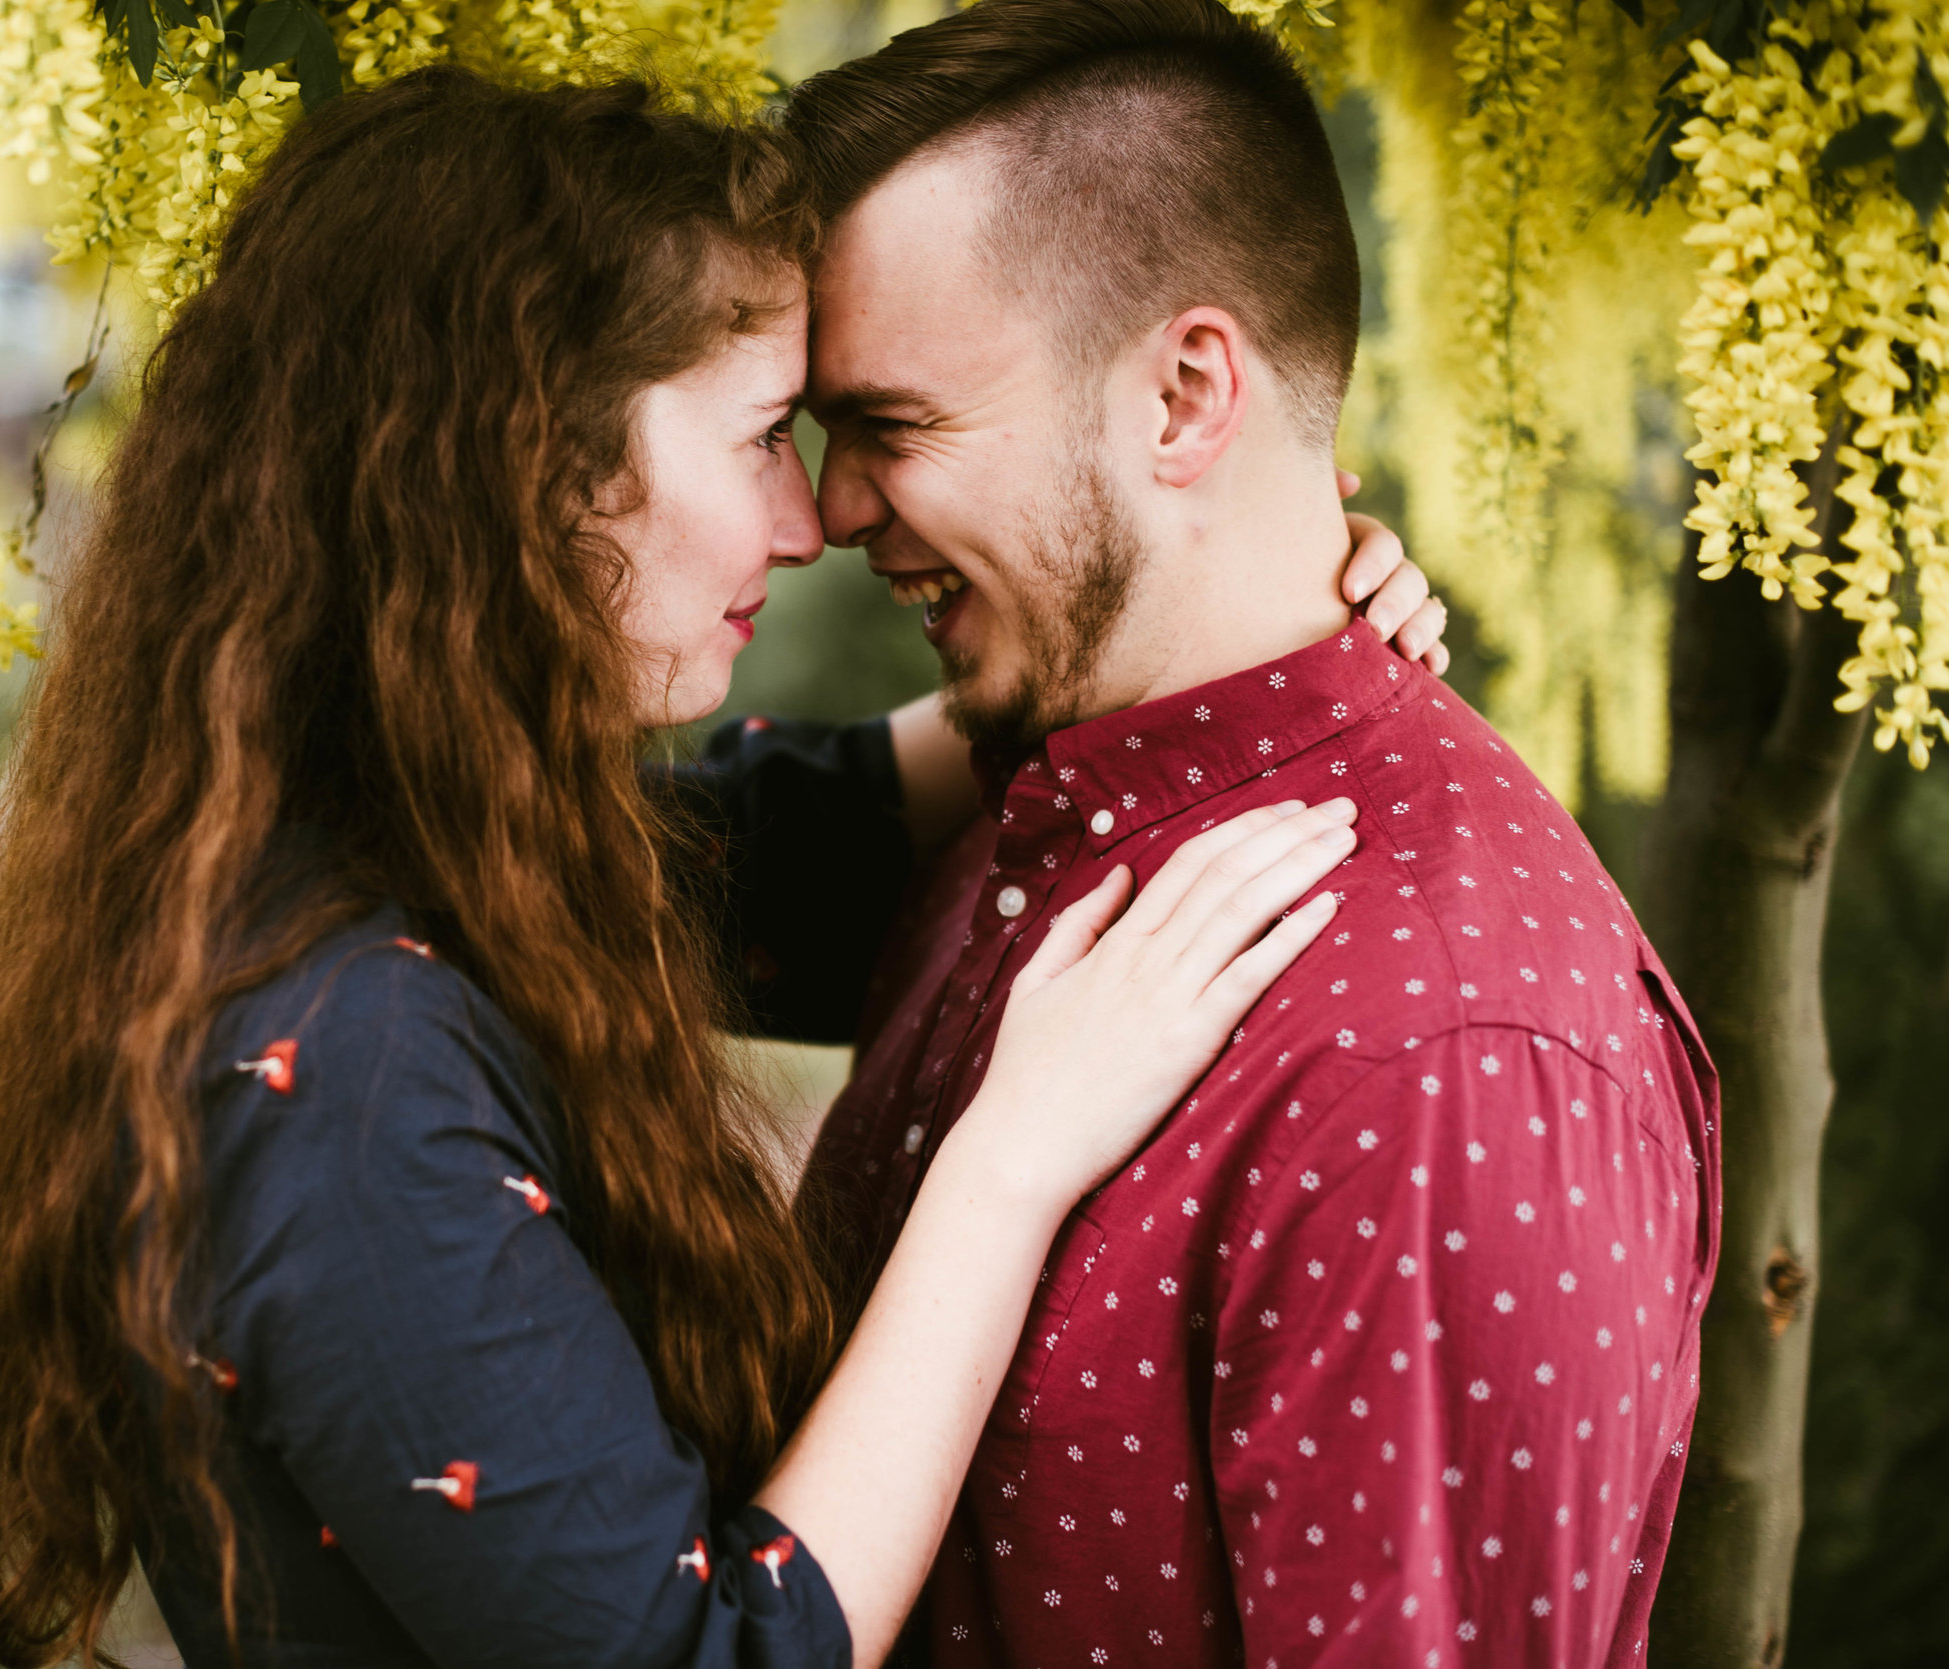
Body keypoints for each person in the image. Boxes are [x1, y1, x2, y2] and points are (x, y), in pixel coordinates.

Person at [0, 63, 1456, 1669]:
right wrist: (1013, 1162)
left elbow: (824, 837)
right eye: (767, 435)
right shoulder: (344, 1069)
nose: (810, 520)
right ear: (529, 470)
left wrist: (1248, 589)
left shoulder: (427, 839)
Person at [734, 3, 1722, 1665]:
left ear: (1188, 393)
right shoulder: (1019, 814)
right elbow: (562, 885)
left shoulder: (1441, 1063)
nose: (827, 512)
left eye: (891, 425)